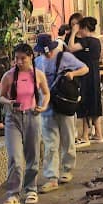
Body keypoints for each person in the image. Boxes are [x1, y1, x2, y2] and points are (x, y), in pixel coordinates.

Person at [0, 43, 49, 204]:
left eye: (22, 58)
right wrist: (9, 102)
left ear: (30, 57)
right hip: (13, 119)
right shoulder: (9, 76)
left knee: (33, 154)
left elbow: (46, 93)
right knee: (15, 158)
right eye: (16, 58)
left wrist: (43, 106)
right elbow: (1, 97)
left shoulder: (37, 75)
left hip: (32, 116)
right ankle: (13, 194)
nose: (19, 62)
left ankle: (31, 189)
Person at [34, 33, 88, 191]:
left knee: (67, 137)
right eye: (44, 52)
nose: (47, 54)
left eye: (48, 51)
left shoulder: (65, 57)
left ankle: (67, 169)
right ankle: (51, 176)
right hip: (46, 106)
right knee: (50, 142)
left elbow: (85, 68)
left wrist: (72, 74)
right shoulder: (37, 62)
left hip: (64, 104)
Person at [73, 16, 103, 146]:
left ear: (85, 28)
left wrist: (74, 33)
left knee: (85, 104)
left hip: (86, 75)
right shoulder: (97, 41)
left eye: (80, 28)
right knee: (95, 104)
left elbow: (70, 48)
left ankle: (86, 136)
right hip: (94, 75)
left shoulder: (87, 41)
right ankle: (98, 134)